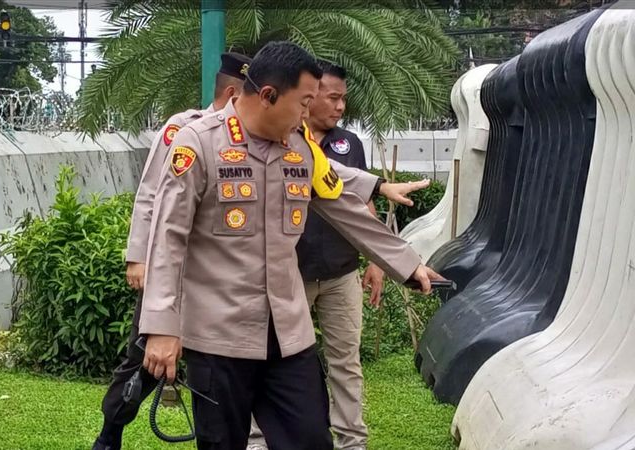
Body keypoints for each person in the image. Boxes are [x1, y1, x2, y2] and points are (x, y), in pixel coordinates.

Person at [140, 41, 443, 450]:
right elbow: (167, 237)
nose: (308, 114)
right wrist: (161, 325)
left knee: (310, 439)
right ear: (267, 95)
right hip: (219, 336)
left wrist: (407, 264)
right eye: (303, 103)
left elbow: (342, 205)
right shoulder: (200, 144)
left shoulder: (300, 149)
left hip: (287, 334)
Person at [246, 60, 431, 450]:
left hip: (339, 272)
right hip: (288, 277)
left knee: (345, 361)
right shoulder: (277, 140)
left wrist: (382, 262)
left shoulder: (348, 145)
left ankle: (352, 441)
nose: (340, 106)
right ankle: (258, 439)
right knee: (268, 358)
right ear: (306, 97)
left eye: (343, 99)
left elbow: (352, 203)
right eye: (331, 97)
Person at [91, 52, 252, 450]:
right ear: (233, 92)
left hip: (218, 281)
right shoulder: (184, 129)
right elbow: (150, 194)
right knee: (142, 362)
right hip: (170, 269)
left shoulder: (255, 138)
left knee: (213, 371)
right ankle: (110, 433)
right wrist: (138, 256)